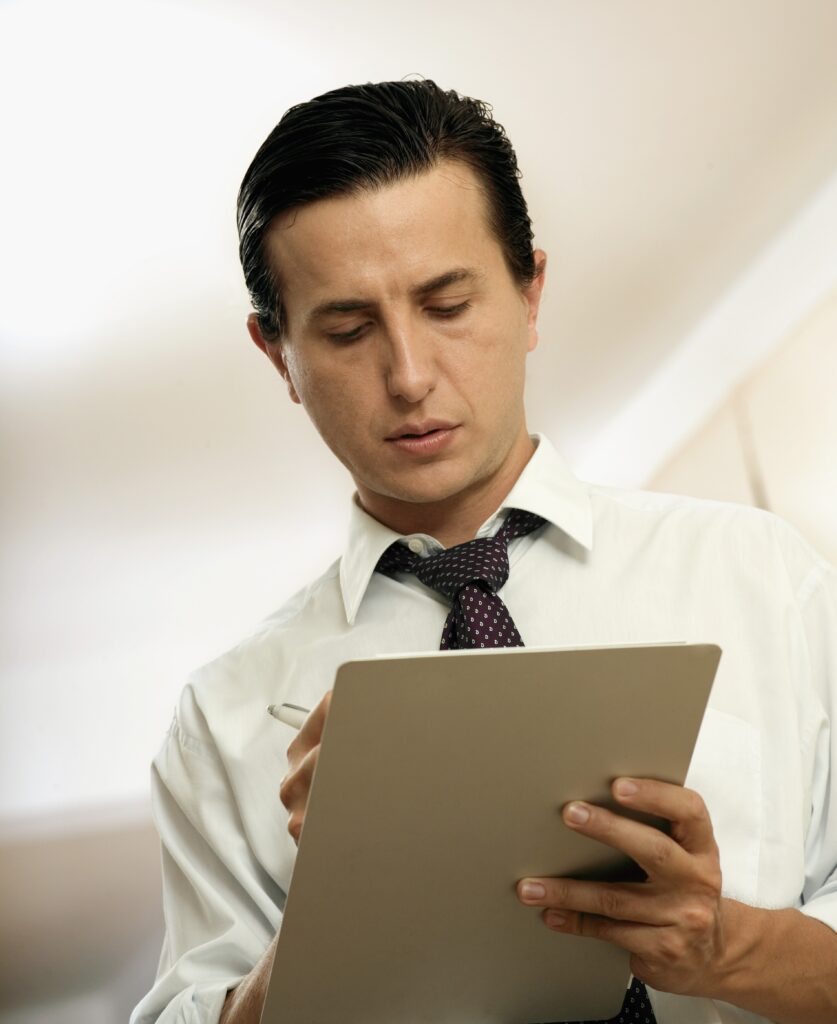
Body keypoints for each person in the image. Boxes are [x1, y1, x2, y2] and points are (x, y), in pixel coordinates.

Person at [131, 80, 837, 1024]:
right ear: (277, 357)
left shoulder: (761, 576)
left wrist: (725, 947)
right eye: (346, 330)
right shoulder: (220, 722)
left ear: (530, 291)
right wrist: (336, 920)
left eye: (447, 304)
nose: (410, 376)